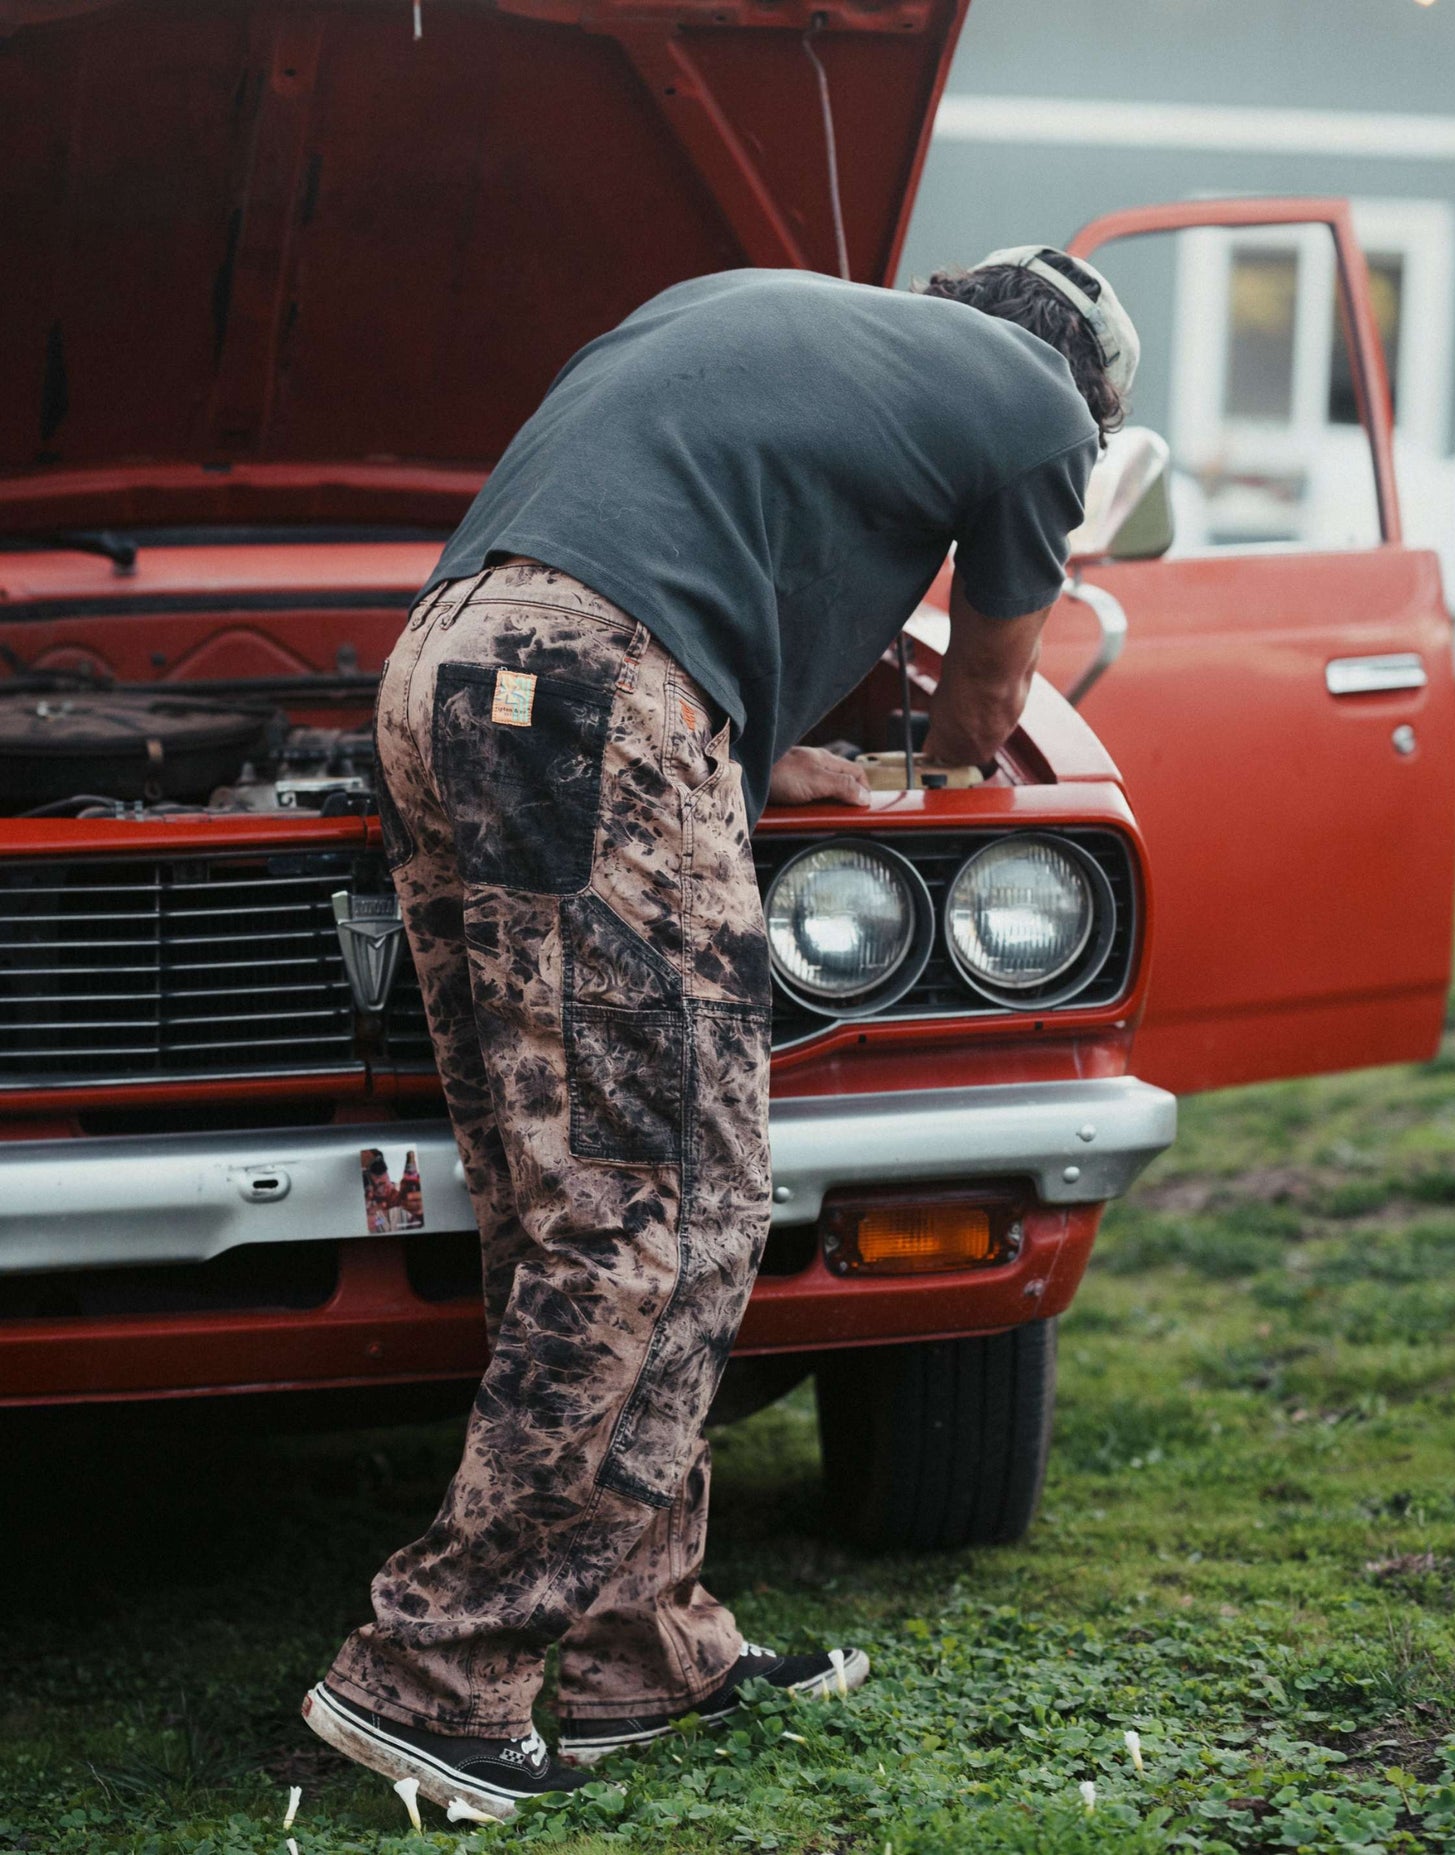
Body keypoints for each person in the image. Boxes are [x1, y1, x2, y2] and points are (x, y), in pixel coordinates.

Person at [303, 247, 1139, 1820]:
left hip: (454, 666)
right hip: (599, 694)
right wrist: (926, 780)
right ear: (1084, 385)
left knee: (571, 1208)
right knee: (667, 1217)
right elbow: (984, 702)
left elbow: (653, 558)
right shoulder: (1040, 407)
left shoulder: (758, 309)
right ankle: (428, 1676)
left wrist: (744, 766)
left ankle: (643, 1655)